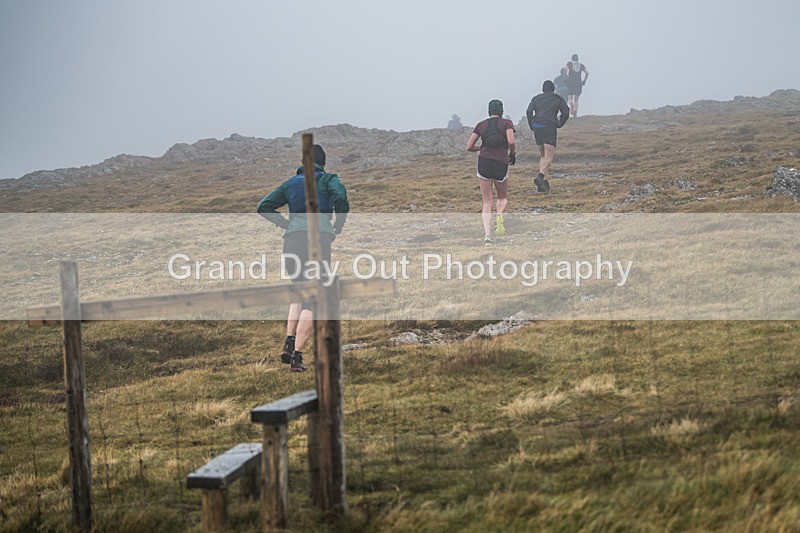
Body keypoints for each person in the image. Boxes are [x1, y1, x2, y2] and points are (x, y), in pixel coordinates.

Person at [256, 144, 349, 372]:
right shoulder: (328, 180)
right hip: (318, 239)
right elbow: (341, 197)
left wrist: (285, 224)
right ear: (323, 163)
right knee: (313, 296)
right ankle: (297, 355)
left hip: (292, 240)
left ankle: (288, 339)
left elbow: (263, 206)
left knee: (298, 288)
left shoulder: (290, 184)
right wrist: (337, 223)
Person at [466, 99, 516, 246]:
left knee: (487, 201)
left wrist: (482, 148)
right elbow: (511, 141)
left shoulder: (481, 125)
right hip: (501, 162)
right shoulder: (507, 123)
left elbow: (469, 146)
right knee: (502, 196)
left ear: (489, 111)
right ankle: (499, 215)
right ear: (501, 111)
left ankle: (488, 235)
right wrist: (512, 154)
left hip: (484, 162)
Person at [526, 80, 570, 193]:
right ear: (553, 89)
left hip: (537, 126)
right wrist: (560, 123)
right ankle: (540, 177)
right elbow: (566, 111)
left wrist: (532, 124)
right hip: (549, 126)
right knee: (549, 157)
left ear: (543, 89)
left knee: (542, 155)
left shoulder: (536, 98)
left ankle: (544, 184)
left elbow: (529, 111)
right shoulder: (557, 98)